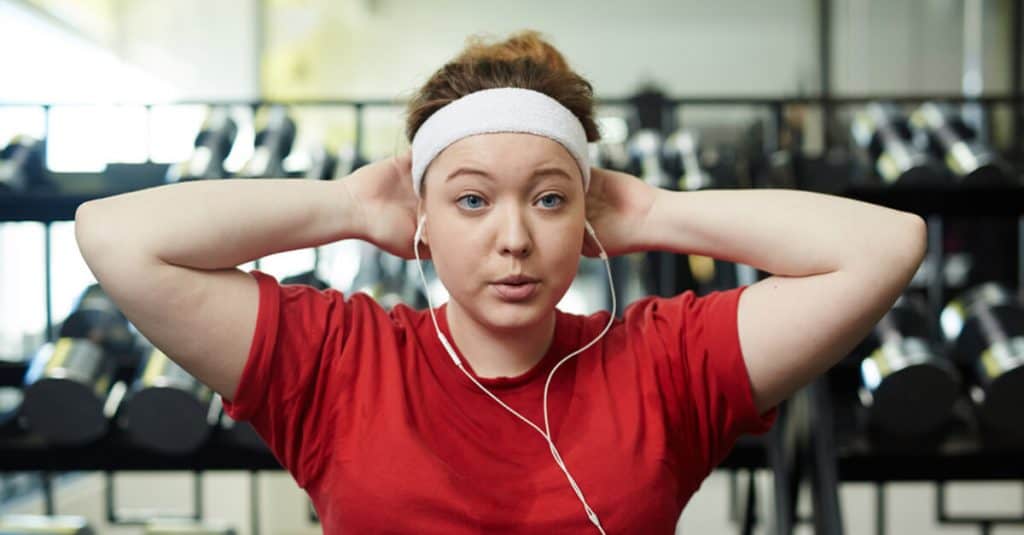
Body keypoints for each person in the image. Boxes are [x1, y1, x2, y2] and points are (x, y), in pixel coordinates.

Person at [75, 30, 927, 535]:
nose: (514, 237)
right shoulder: (339, 360)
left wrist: (661, 211)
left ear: (585, 215)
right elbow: (114, 236)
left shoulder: (666, 363)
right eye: (472, 199)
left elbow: (887, 244)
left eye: (549, 199)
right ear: (423, 218)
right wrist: (344, 205)